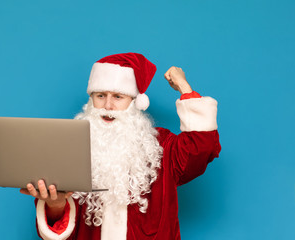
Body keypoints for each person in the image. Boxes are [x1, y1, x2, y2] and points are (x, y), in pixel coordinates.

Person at [20, 53, 221, 240]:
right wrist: (55, 205)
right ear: (91, 101)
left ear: (135, 103)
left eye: (118, 97)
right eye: (100, 95)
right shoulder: (70, 150)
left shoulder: (162, 146)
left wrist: (184, 87)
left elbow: (202, 146)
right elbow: (63, 227)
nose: (108, 106)